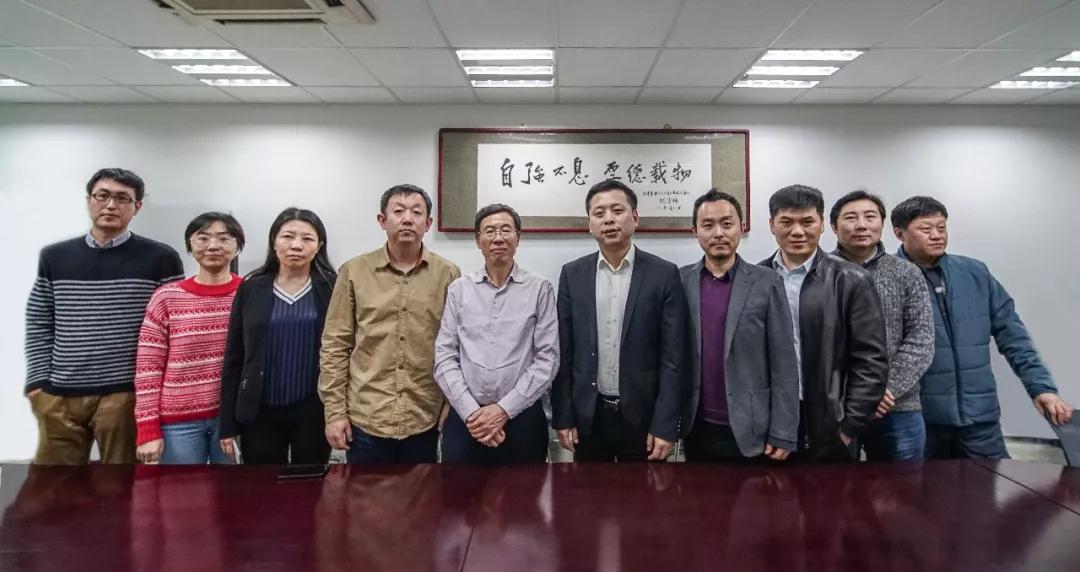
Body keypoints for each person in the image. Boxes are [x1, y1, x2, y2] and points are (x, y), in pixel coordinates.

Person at [892, 196, 1074, 459]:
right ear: (900, 234)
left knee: (992, 483)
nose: (936, 235)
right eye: (925, 229)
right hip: (918, 421)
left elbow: (1014, 337)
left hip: (979, 418)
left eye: (941, 227)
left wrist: (1042, 388)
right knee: (918, 486)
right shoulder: (887, 278)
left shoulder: (975, 273)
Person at [24, 168, 184, 464]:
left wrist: (156, 394)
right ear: (89, 201)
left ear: (137, 207)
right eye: (103, 196)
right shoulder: (55, 256)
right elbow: (39, 320)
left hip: (124, 394)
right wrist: (37, 383)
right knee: (54, 483)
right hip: (60, 393)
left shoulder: (161, 258)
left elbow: (173, 328)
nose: (111, 205)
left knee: (121, 482)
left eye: (122, 198)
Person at [320, 185, 461, 463]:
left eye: (416, 212)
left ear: (428, 223)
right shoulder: (354, 271)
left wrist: (452, 403)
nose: (407, 219)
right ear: (382, 221)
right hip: (366, 415)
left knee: (423, 491)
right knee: (363, 492)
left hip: (424, 415)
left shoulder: (448, 274)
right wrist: (335, 412)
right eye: (398, 211)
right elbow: (335, 345)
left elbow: (457, 345)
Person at [551, 179, 687, 462]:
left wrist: (665, 423)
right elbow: (564, 351)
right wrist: (563, 416)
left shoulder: (664, 274)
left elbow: (673, 358)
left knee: (645, 491)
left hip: (644, 419)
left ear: (634, 217)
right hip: (589, 417)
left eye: (617, 210)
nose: (609, 219)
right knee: (588, 490)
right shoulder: (572, 275)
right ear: (589, 224)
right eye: (599, 213)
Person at [759, 184, 888, 462]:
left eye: (807, 222)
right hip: (769, 419)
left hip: (831, 422)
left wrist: (850, 425)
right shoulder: (755, 279)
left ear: (821, 225)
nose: (797, 231)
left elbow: (871, 359)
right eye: (786, 222)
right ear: (771, 225)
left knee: (830, 490)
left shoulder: (852, 280)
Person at [679, 189, 799, 462]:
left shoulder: (766, 281)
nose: (718, 233)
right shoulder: (680, 280)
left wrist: (783, 431)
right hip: (696, 424)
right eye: (708, 225)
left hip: (753, 426)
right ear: (695, 231)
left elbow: (783, 360)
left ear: (741, 227)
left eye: (727, 224)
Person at [434, 204, 558, 465]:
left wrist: (502, 410)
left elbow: (547, 359)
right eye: (490, 231)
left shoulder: (539, 289)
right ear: (477, 240)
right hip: (467, 418)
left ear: (518, 238)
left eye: (505, 230)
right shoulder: (459, 289)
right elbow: (444, 357)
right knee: (458, 489)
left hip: (522, 417)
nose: (498, 238)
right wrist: (473, 414)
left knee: (523, 490)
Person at [218, 208, 336, 465]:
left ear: (319, 246)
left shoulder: (332, 287)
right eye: (288, 236)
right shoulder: (252, 288)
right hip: (260, 409)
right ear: (274, 242)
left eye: (307, 238)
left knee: (311, 481)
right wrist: (227, 422)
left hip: (314, 409)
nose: (296, 245)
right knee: (262, 483)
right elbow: (235, 357)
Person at [830, 190, 935, 461]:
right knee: (832, 484)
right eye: (851, 218)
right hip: (836, 407)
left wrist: (882, 390)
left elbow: (921, 338)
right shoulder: (822, 273)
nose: (861, 225)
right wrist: (860, 396)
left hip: (896, 406)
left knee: (903, 486)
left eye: (870, 217)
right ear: (833, 227)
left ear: (882, 223)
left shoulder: (906, 272)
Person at [134, 212, 246, 464]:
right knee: (181, 488)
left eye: (224, 238)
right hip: (178, 422)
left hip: (232, 419)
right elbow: (148, 367)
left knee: (233, 488)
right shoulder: (166, 297)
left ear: (237, 246)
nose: (213, 246)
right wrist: (147, 427)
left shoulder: (249, 292)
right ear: (189, 245)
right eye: (203, 238)